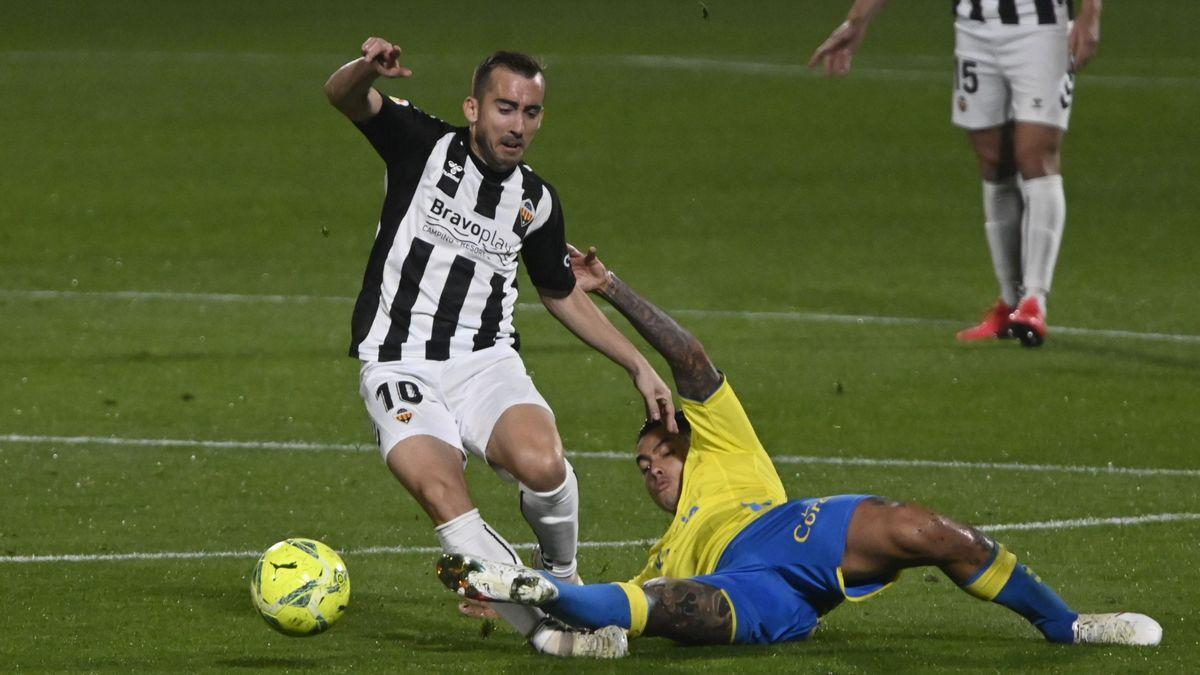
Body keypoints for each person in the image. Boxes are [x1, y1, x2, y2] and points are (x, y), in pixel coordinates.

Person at [436, 244, 1161, 650]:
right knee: (681, 605)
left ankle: (1066, 623)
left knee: (925, 528)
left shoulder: (727, 447)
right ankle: (529, 586)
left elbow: (690, 359)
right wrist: (508, 605)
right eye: (641, 462)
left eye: (659, 447)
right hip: (751, 586)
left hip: (787, 529)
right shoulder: (661, 554)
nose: (649, 463)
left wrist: (615, 288)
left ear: (690, 440)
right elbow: (619, 615)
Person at [323, 38, 675, 658]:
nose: (516, 125)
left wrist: (638, 364)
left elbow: (561, 292)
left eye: (530, 112)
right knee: (438, 489)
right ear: (473, 108)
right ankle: (541, 630)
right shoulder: (421, 144)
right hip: (399, 358)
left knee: (544, 465)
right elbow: (342, 97)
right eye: (505, 108)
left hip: (485, 360)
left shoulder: (536, 202)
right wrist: (365, 68)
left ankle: (565, 586)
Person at [809, 0, 1103, 347]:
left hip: (1042, 28)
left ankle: (1035, 299)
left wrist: (1090, 13)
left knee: (1036, 155)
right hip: (974, 30)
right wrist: (856, 21)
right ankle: (1010, 302)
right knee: (993, 161)